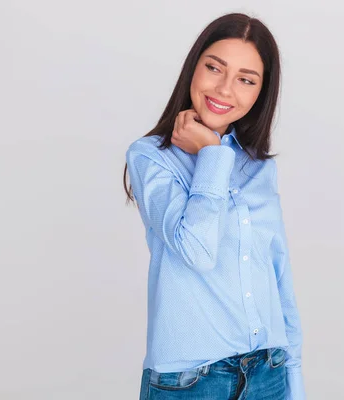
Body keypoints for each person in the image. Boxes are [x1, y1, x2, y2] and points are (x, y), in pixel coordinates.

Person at [123, 13, 306, 400]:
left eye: (246, 80)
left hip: (268, 370)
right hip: (192, 382)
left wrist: (293, 375)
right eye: (214, 68)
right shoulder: (150, 159)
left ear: (261, 91)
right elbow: (197, 250)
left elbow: (278, 274)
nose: (224, 90)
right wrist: (211, 153)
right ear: (194, 67)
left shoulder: (258, 166)